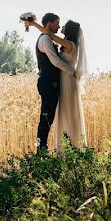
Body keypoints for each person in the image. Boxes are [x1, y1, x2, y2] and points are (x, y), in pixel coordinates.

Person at [20, 12, 75, 152]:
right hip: (48, 83)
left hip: (51, 83)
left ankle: (43, 149)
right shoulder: (45, 40)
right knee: (46, 117)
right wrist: (71, 71)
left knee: (48, 117)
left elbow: (50, 36)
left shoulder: (48, 38)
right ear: (49, 24)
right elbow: (55, 61)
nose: (58, 27)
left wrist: (32, 24)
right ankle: (41, 150)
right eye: (57, 23)